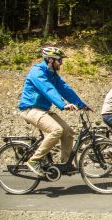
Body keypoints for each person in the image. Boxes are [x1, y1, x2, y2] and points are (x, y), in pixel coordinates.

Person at [19, 47, 90, 176]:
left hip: (43, 110)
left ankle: (65, 164)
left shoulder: (52, 74)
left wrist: (81, 104)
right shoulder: (37, 72)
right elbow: (48, 89)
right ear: (50, 60)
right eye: (59, 60)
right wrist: (63, 105)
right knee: (56, 130)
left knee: (68, 131)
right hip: (30, 109)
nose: (61, 63)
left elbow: (64, 88)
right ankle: (34, 160)